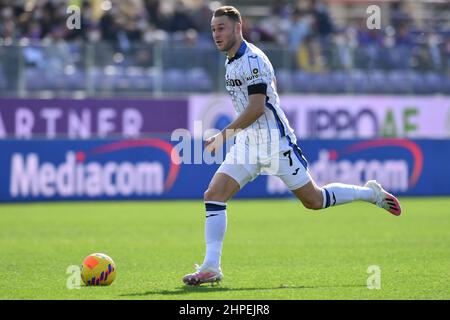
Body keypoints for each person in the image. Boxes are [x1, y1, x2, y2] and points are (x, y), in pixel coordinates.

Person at [182, 6, 402, 286]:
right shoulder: (230, 61)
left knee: (315, 200)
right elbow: (269, 87)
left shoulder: (253, 60)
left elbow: (257, 108)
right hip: (249, 143)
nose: (216, 34)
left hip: (275, 143)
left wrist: (222, 136)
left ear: (238, 28)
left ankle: (369, 193)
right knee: (214, 194)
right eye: (213, 29)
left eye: (221, 28)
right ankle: (211, 266)